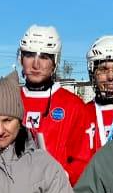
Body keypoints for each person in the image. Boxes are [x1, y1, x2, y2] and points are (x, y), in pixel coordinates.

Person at [18, 25, 94, 184]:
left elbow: (84, 158)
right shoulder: (8, 100)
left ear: (55, 62)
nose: (36, 65)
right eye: (30, 55)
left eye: (44, 57)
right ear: (21, 59)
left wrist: (64, 177)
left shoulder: (73, 105)